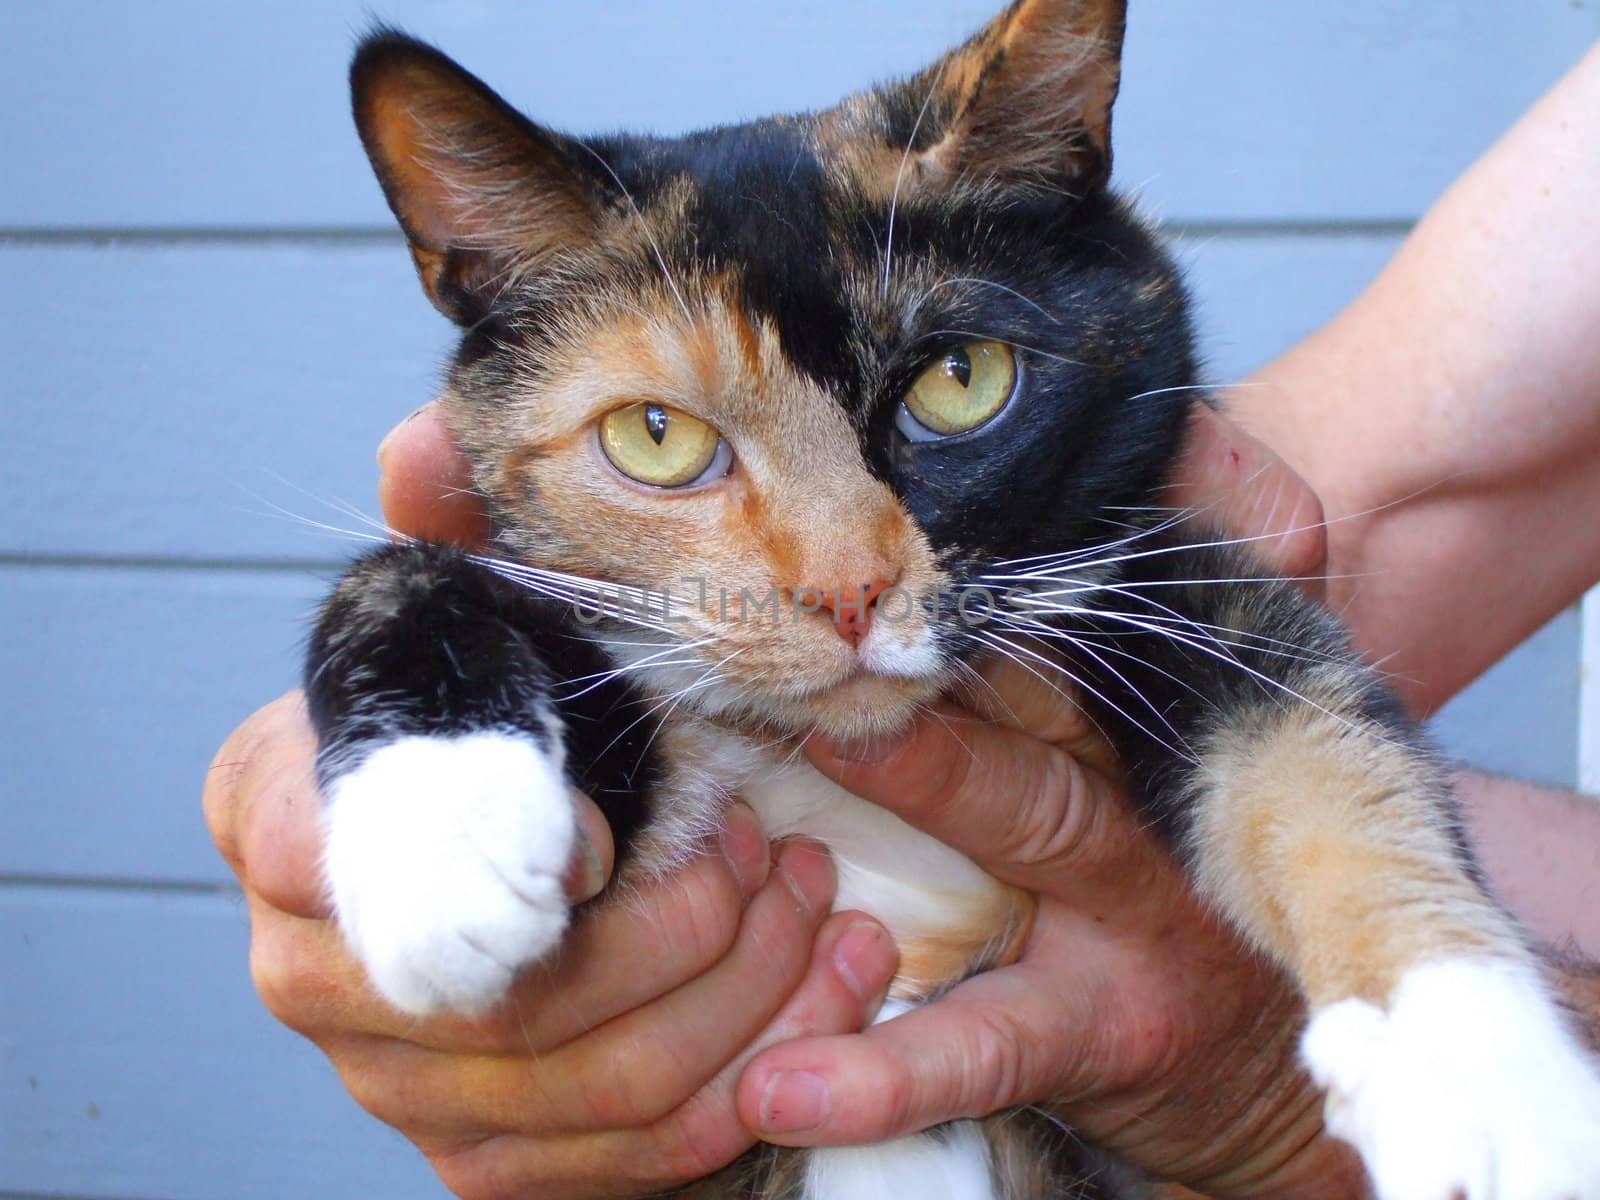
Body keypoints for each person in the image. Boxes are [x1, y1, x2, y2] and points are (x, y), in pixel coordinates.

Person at [203, 40, 1600, 1200]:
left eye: (958, 381)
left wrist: (1379, 1018)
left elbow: (1282, 722)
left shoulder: (1101, 575)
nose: (840, 579)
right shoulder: (610, 615)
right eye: (656, 437)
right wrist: (420, 703)